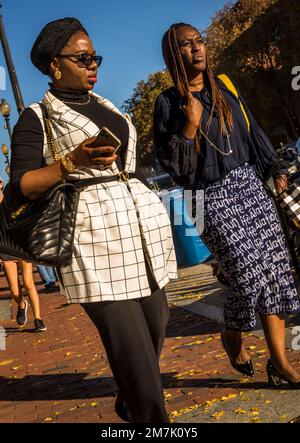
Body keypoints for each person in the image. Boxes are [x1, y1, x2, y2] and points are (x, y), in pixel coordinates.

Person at [10, 18, 177, 422]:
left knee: (157, 321)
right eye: (82, 58)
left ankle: (131, 397)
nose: (92, 65)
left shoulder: (106, 106)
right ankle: (148, 415)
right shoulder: (36, 118)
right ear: (54, 64)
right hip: (94, 244)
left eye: (95, 57)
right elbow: (23, 185)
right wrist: (73, 161)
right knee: (135, 355)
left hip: (142, 235)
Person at [153, 22, 300, 388]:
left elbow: (253, 132)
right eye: (186, 45)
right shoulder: (169, 103)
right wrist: (189, 127)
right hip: (208, 197)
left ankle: (280, 361)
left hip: (249, 184)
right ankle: (232, 334)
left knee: (276, 273)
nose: (196, 49)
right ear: (174, 54)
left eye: (198, 41)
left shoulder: (225, 87)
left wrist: (273, 167)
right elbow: (178, 170)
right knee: (248, 276)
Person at [0, 180, 46, 332]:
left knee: (28, 283)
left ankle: (38, 319)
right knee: (14, 290)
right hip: (5, 249)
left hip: (21, 246)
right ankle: (21, 305)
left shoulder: (12, 200)